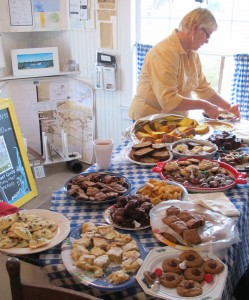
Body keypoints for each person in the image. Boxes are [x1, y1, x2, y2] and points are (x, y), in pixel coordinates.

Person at [129, 8, 240, 121]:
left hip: (172, 119)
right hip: (149, 119)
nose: (207, 41)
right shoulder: (164, 52)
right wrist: (204, 105)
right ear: (195, 28)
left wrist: (228, 107)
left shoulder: (192, 53)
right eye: (207, 36)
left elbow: (203, 88)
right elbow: (168, 100)